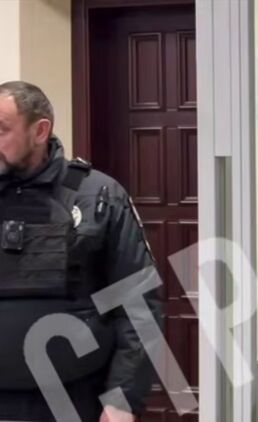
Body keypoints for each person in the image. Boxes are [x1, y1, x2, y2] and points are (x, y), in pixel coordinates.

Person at [0, 81, 160, 422]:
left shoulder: (97, 196)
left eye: (2, 130)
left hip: (73, 401)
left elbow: (138, 302)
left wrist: (123, 400)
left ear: (40, 131)